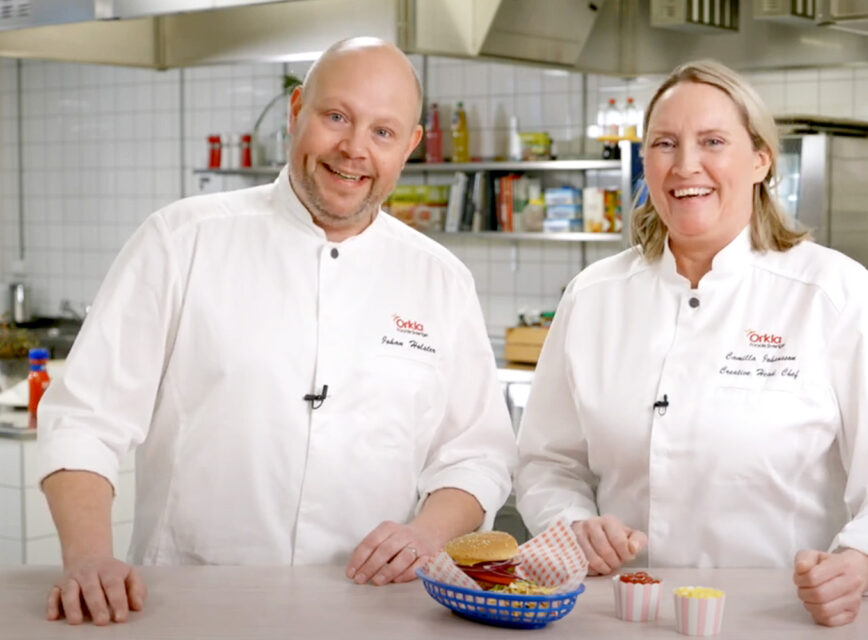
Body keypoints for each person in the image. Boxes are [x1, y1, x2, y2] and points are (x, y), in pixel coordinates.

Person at [37, 38, 515, 626]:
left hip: (372, 612)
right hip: (188, 604)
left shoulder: (441, 281)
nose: (354, 150)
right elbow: (86, 419)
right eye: (336, 117)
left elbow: (476, 455)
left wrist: (425, 533)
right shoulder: (181, 241)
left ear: (411, 146)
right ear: (297, 112)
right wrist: (87, 558)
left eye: (383, 132)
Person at [514, 59, 868, 628]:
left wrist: (862, 561)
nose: (685, 166)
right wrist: (573, 523)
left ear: (759, 160)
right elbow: (547, 462)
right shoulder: (593, 296)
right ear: (644, 161)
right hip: (622, 614)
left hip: (778, 617)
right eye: (665, 143)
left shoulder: (833, 293)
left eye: (713, 141)